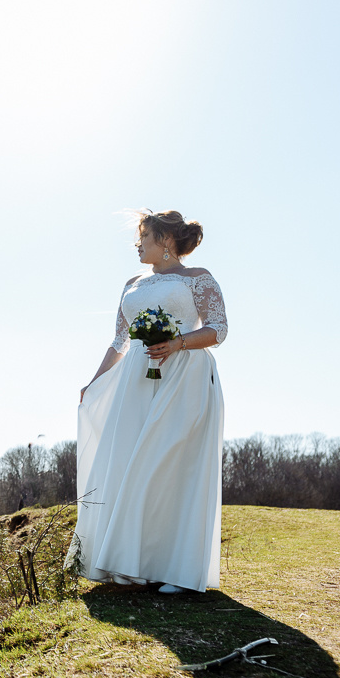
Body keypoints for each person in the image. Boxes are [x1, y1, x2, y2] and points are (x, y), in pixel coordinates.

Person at [73, 210, 227, 595]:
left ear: (166, 240)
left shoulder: (198, 278)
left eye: (145, 237)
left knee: (168, 464)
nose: (138, 245)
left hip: (184, 376)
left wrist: (177, 344)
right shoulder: (131, 283)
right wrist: (93, 383)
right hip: (135, 383)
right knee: (128, 463)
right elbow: (119, 342)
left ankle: (176, 569)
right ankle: (131, 565)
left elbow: (219, 328)